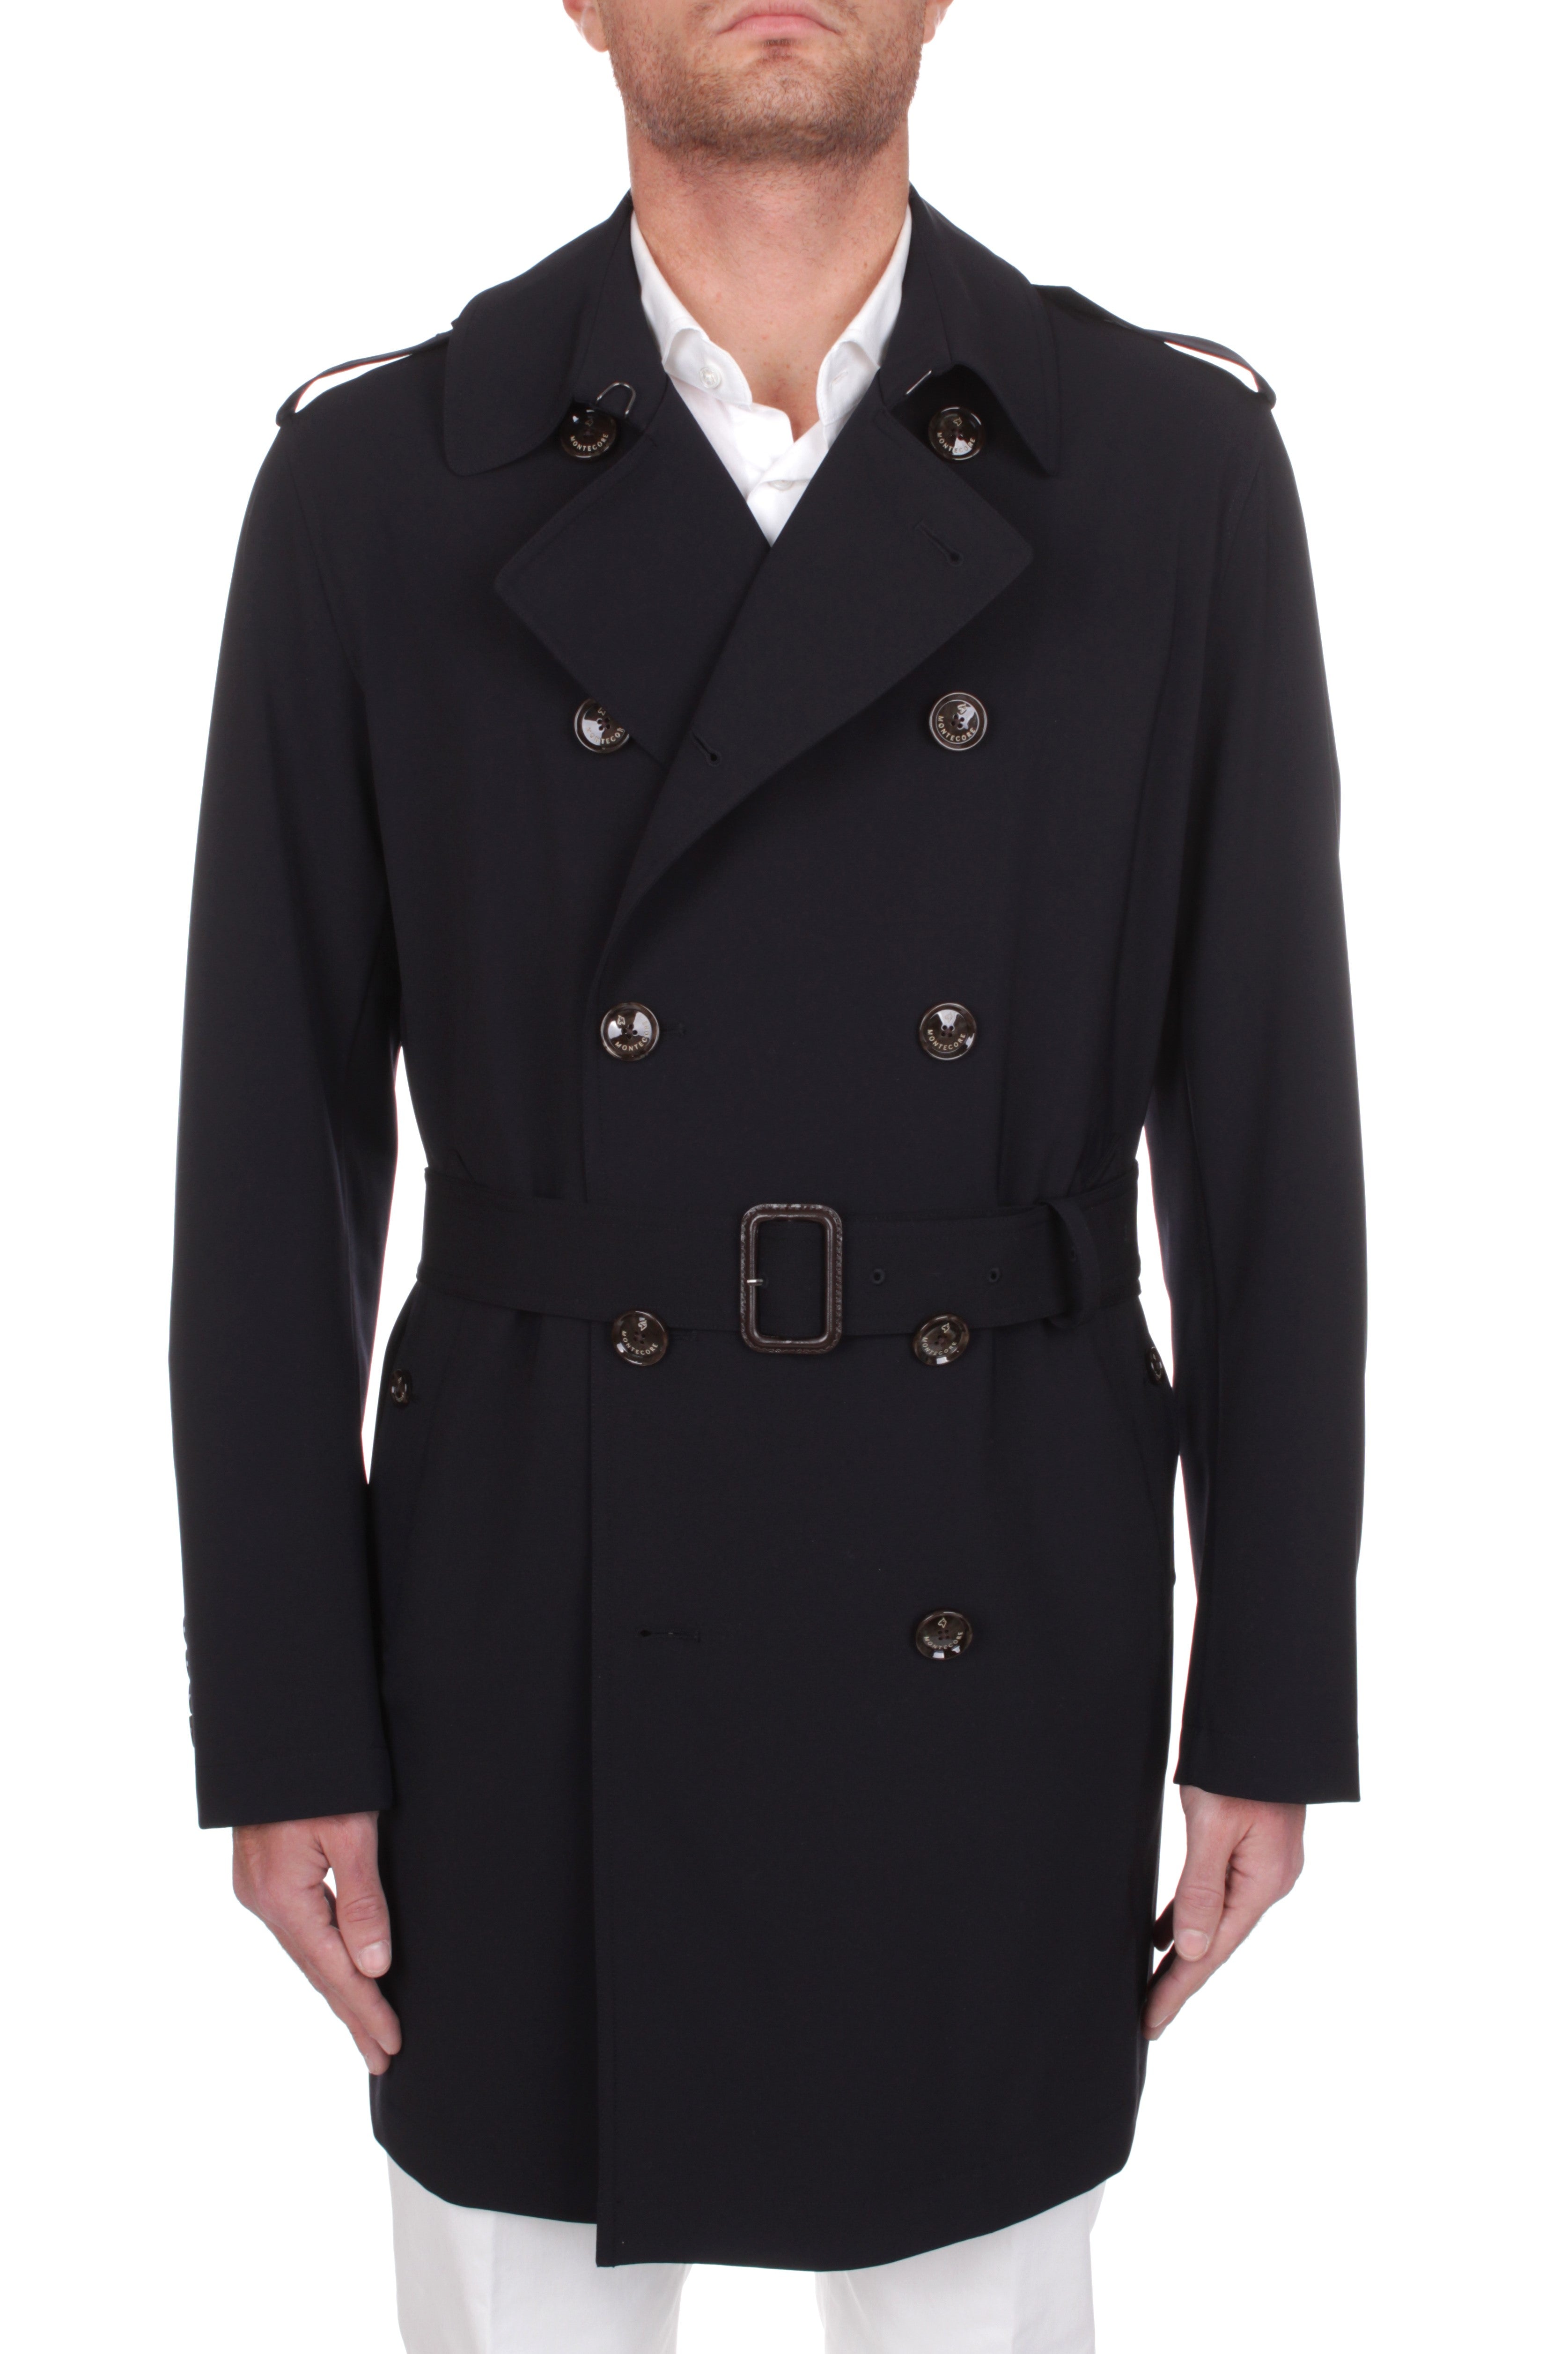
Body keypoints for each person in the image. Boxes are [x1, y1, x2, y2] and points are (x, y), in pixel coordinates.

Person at [170, 2, 1365, 2347]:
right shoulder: (378, 487)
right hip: (526, 1606)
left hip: (995, 1573)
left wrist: (1270, 1690)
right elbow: (263, 1162)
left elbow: (1266, 1128)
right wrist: (284, 1726)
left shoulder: (1166, 471)